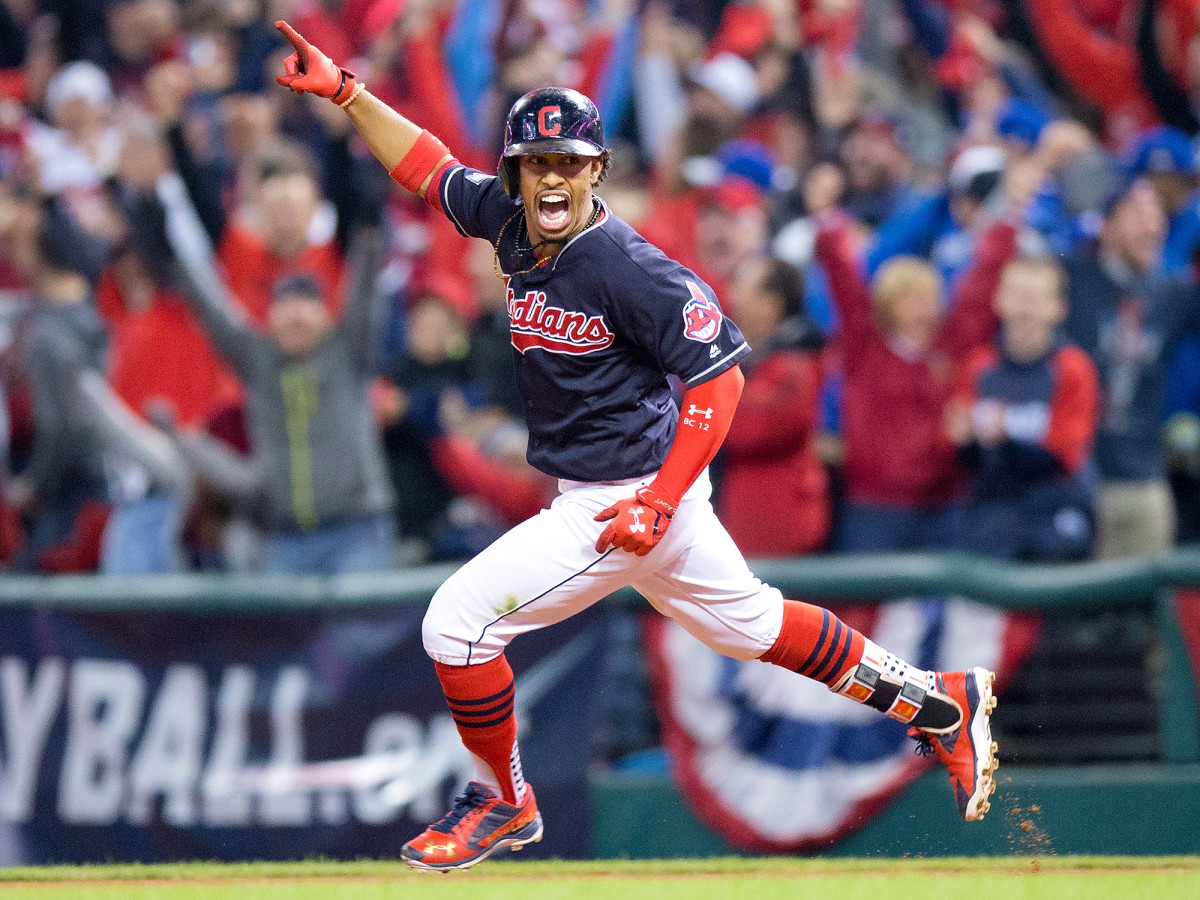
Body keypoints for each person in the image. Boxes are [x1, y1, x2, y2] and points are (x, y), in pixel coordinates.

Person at [271, 20, 1001, 869]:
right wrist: (350, 93)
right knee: (754, 626)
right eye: (535, 162)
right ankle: (938, 703)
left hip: (627, 496)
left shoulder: (629, 265)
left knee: (457, 626)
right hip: (632, 491)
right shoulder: (511, 223)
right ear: (515, 173)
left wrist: (657, 500)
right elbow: (427, 167)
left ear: (597, 171)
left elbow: (720, 380)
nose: (551, 176)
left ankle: (504, 801)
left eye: (568, 162)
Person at [157, 169, 397, 575]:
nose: (296, 315)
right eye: (285, 306)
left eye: (306, 305)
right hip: (284, 537)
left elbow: (364, 294)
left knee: (363, 620)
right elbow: (211, 308)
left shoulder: (348, 351)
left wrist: (370, 236)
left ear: (325, 314)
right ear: (269, 316)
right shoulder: (258, 359)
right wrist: (169, 250)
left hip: (357, 530)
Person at [948, 256, 1101, 562]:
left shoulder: (1073, 369)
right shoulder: (978, 366)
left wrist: (1004, 430)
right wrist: (962, 440)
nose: (1025, 308)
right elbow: (959, 448)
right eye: (1017, 295)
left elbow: (1065, 455)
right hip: (990, 516)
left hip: (1055, 515)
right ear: (998, 300)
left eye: (1036, 298)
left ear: (1058, 307)